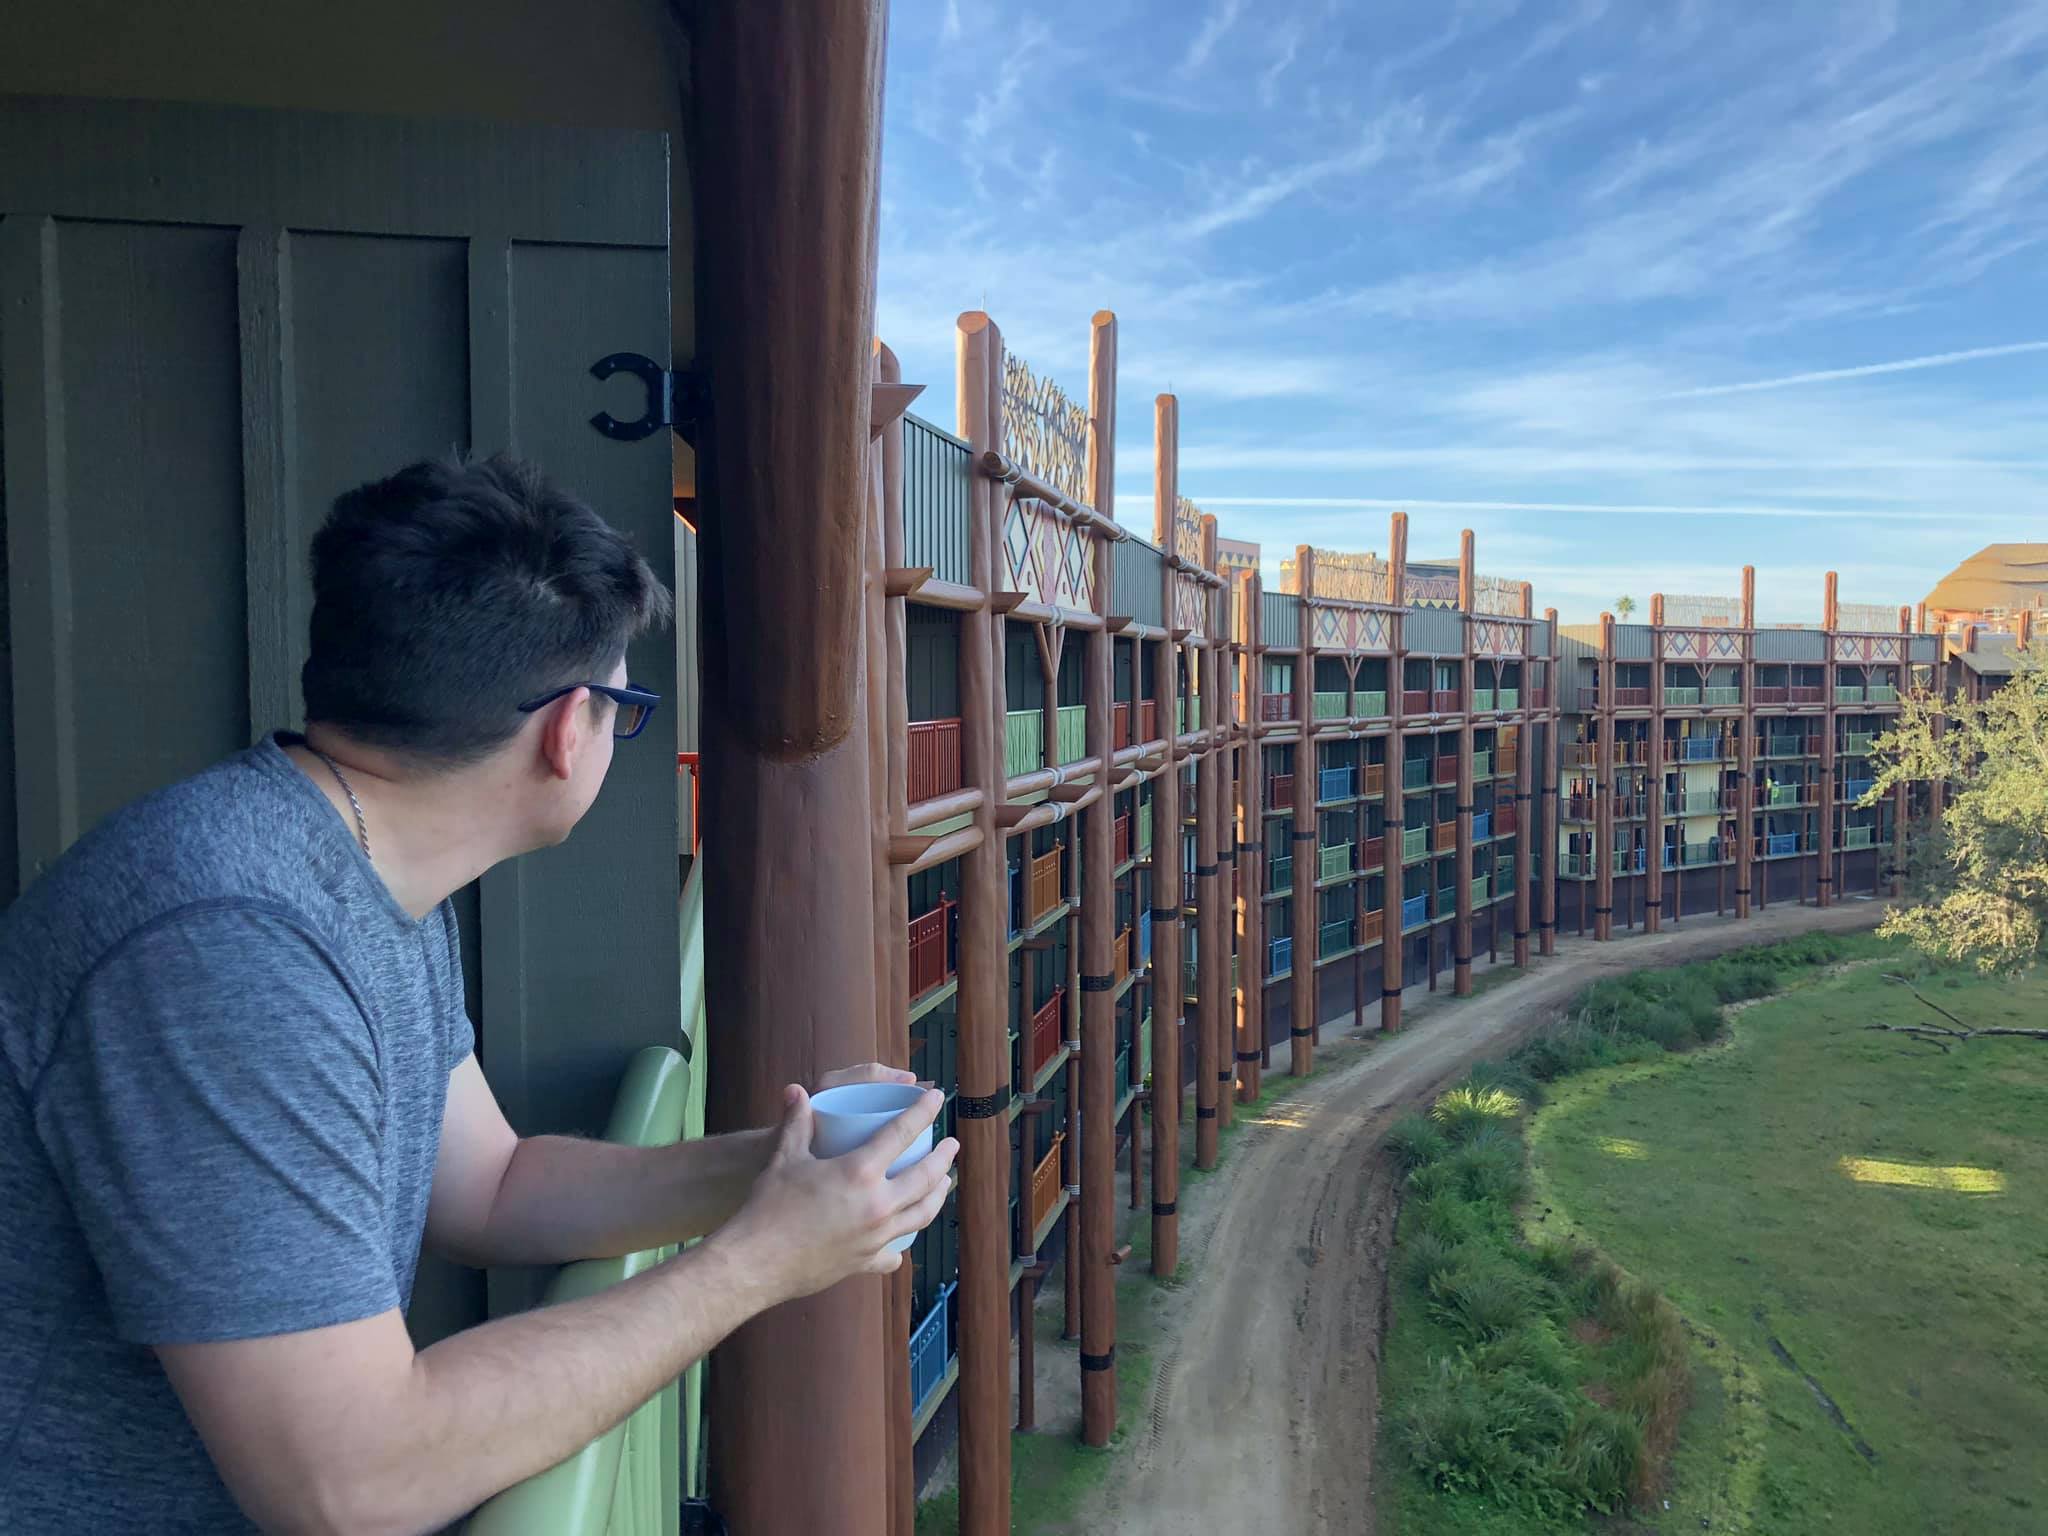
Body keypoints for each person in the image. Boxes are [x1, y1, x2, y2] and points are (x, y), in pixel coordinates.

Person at [0, 455, 957, 1535]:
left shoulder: (360, 873)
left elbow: (491, 1188)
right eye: (624, 708)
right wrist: (758, 1265)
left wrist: (781, 1168)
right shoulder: (231, 943)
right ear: (569, 728)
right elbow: (354, 1483)